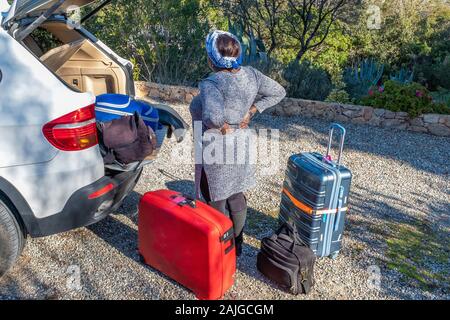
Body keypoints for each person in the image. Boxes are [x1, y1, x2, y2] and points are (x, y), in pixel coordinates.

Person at [190, 30, 286, 256]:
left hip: (216, 148)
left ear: (211, 59)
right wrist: (252, 111)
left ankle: (221, 249)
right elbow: (279, 92)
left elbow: (212, 116)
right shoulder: (252, 75)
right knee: (236, 194)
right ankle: (238, 244)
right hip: (241, 145)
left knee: (216, 198)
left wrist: (221, 125)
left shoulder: (211, 83)